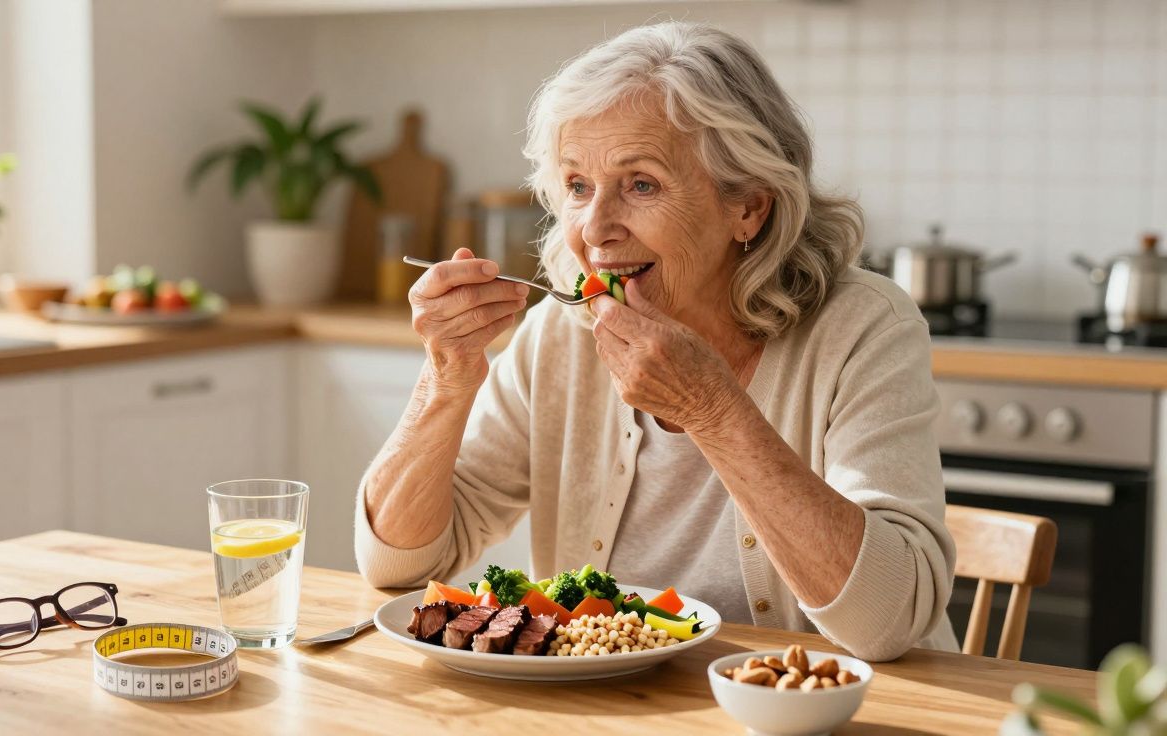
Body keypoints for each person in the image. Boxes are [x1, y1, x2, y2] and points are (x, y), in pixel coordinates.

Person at [354, 21, 956, 661]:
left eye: (641, 184)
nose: (594, 230)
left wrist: (714, 411)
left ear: (748, 207)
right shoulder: (563, 331)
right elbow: (397, 562)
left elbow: (888, 622)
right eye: (578, 187)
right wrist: (446, 379)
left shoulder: (862, 328)